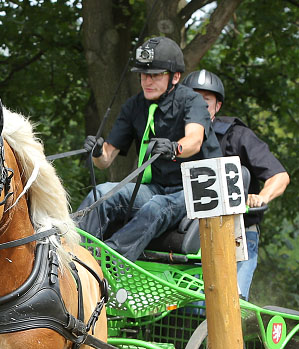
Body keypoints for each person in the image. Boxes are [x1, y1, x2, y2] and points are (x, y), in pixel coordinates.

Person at [76, 36, 221, 263]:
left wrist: (175, 147)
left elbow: (194, 141)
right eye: (144, 75)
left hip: (197, 187)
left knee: (156, 207)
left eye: (155, 75)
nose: (147, 81)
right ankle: (73, 254)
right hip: (157, 187)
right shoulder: (134, 106)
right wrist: (96, 151)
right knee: (102, 192)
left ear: (175, 76)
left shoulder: (191, 101)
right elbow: (105, 160)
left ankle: (108, 263)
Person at [182, 69, 290, 300]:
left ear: (217, 106)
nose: (199, 106)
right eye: (193, 99)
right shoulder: (174, 138)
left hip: (235, 235)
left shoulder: (238, 135)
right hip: (185, 236)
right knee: (185, 311)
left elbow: (279, 176)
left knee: (230, 304)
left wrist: (261, 197)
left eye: (206, 101)